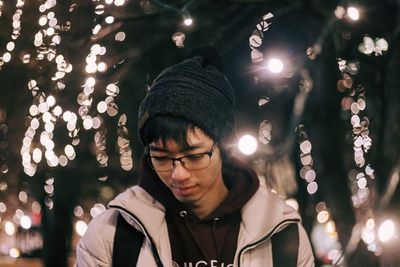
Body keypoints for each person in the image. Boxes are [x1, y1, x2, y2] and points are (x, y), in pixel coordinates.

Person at [75, 45, 315, 267]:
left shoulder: (280, 235)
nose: (178, 173)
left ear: (224, 147)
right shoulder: (112, 234)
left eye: (194, 156)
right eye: (161, 157)